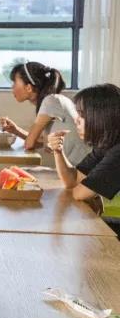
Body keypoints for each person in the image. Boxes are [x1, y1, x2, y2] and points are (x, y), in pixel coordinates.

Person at [48, 83, 120, 218]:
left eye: (82, 115)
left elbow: (79, 194)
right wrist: (58, 151)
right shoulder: (106, 144)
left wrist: (93, 193)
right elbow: (73, 180)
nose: (76, 120)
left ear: (100, 117)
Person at [0, 61, 90, 165]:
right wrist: (16, 130)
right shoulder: (52, 100)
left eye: (15, 83)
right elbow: (40, 142)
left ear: (29, 87)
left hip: (84, 170)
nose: (12, 87)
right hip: (78, 167)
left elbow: (29, 144)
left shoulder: (50, 101)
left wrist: (23, 135)